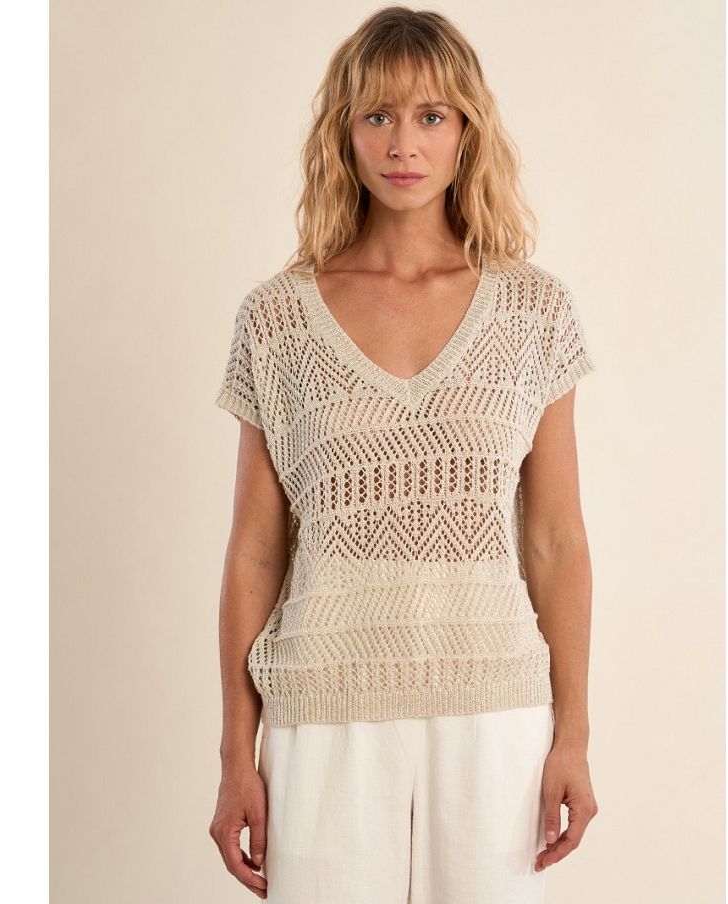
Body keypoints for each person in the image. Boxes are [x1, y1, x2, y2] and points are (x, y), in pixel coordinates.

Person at [208, 7, 599, 902]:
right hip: (323, 708)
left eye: (431, 116)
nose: (402, 144)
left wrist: (573, 735)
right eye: (377, 115)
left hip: (496, 705)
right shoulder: (276, 320)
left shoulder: (534, 312)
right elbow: (255, 552)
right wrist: (236, 754)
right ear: (343, 133)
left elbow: (556, 540)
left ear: (467, 131)